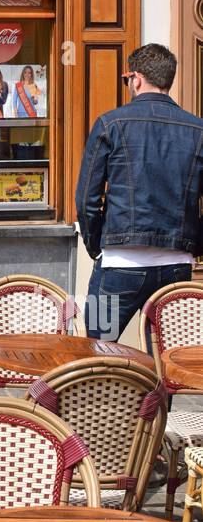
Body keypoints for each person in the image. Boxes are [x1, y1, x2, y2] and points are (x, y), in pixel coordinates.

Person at [75, 43, 203, 341]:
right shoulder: (198, 130)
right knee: (168, 360)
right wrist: (193, 247)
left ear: (136, 77)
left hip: (120, 263)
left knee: (94, 350)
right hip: (176, 267)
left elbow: (86, 200)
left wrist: (98, 246)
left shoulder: (110, 123)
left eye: (126, 79)